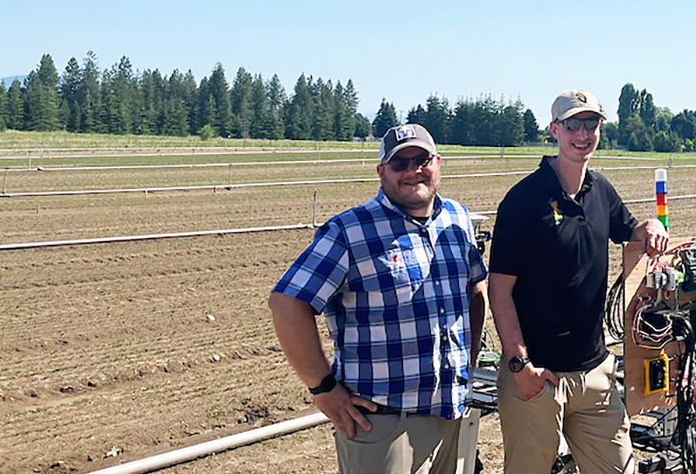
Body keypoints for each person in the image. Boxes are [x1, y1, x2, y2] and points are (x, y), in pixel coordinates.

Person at [268, 123, 488, 474]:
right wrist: (323, 388)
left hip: (450, 413)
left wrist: (468, 362)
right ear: (381, 171)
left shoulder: (457, 220)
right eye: (400, 163)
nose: (412, 170)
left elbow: (475, 290)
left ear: (438, 163)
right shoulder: (349, 230)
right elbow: (287, 303)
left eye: (422, 159)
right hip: (383, 423)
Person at [488, 89, 669, 474]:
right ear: (555, 129)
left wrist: (649, 225)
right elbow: (499, 288)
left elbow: (628, 228)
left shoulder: (600, 189)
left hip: (595, 375)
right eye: (573, 124)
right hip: (538, 378)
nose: (582, 133)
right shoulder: (523, 200)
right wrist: (521, 366)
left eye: (591, 123)